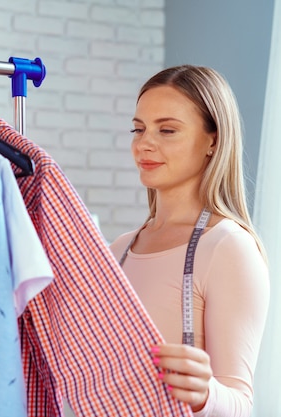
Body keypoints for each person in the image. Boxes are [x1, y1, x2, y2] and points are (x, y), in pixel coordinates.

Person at [110, 65, 270, 416]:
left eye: (167, 130)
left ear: (212, 140)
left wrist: (204, 394)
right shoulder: (119, 250)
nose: (144, 144)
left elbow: (241, 405)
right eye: (138, 129)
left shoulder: (227, 248)